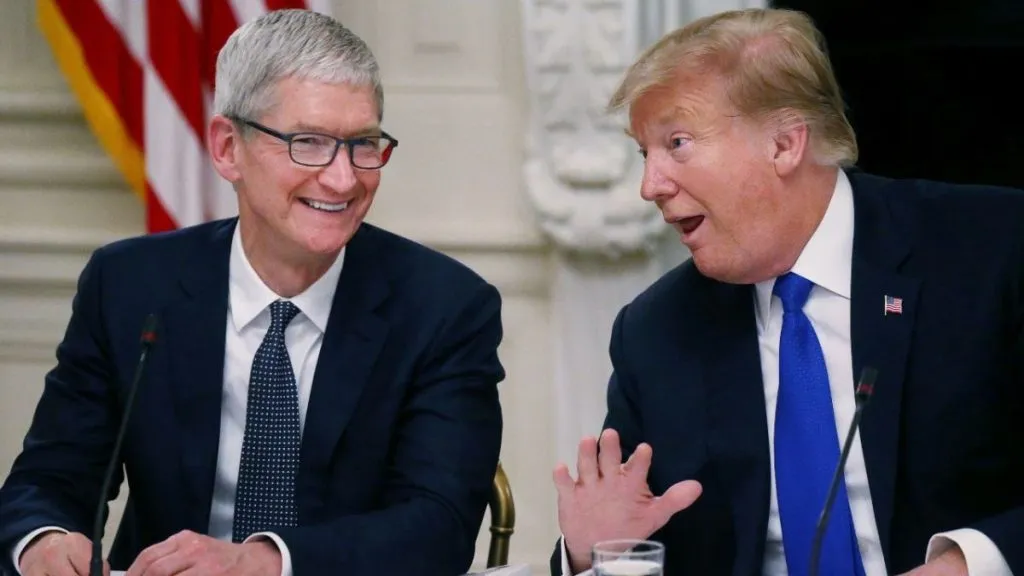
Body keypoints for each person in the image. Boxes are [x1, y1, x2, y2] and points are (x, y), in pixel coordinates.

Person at [0, 9, 505, 576]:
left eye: (363, 144)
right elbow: (50, 480)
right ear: (226, 148)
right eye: (308, 142)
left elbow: (438, 527)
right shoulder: (130, 286)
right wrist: (42, 541)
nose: (343, 178)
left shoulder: (444, 308)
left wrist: (264, 562)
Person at [551, 8, 1024, 576]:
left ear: (784, 144)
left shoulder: (992, 251)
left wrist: (966, 565)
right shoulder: (656, 332)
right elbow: (634, 538)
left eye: (677, 143)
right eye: (643, 154)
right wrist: (589, 555)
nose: (650, 186)